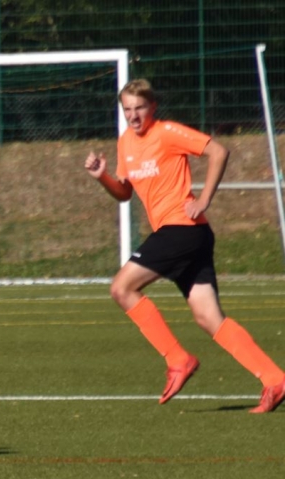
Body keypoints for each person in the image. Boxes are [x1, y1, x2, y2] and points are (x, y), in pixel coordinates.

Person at [84, 79, 285, 413]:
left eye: (140, 108)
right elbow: (124, 193)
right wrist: (102, 177)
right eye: (128, 109)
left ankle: (178, 359)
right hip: (188, 235)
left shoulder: (167, 132)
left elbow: (219, 151)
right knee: (208, 317)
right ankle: (275, 379)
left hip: (182, 229)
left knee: (121, 288)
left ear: (153, 107)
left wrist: (204, 199)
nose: (134, 115)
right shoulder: (125, 143)